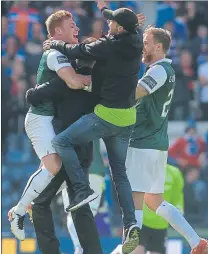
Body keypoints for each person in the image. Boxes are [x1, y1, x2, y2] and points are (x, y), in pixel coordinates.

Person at [44, 0, 143, 252]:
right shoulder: (136, 37)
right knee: (119, 173)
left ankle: (81, 188)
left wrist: (54, 44)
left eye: (111, 23)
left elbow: (75, 52)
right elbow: (119, 19)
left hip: (106, 117)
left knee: (61, 141)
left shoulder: (108, 46)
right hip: (128, 118)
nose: (107, 24)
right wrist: (104, 8)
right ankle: (131, 223)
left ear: (119, 29)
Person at [125, 25, 208, 254]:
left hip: (144, 140)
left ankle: (132, 241)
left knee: (136, 194)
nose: (143, 46)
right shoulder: (162, 70)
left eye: (146, 42)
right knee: (154, 201)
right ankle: (195, 241)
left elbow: (137, 92)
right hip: (157, 142)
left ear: (159, 46)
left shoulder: (160, 70)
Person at [8, 10, 91, 241]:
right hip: (39, 119)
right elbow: (74, 81)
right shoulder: (55, 54)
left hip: (50, 120)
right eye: (71, 24)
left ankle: (55, 203)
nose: (77, 28)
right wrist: (101, 84)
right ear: (57, 32)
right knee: (54, 165)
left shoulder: (63, 52)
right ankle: (19, 211)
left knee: (60, 166)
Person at [23, 42, 103, 254]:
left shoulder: (64, 83)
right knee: (80, 206)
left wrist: (36, 89)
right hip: (85, 153)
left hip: (65, 153)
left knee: (40, 202)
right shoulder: (98, 86)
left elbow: (32, 96)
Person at [111, 164, 184, 254]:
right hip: (142, 221)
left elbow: (178, 197)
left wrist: (179, 211)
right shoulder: (144, 168)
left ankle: (120, 250)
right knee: (137, 251)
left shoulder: (174, 172)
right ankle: (120, 250)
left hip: (161, 224)